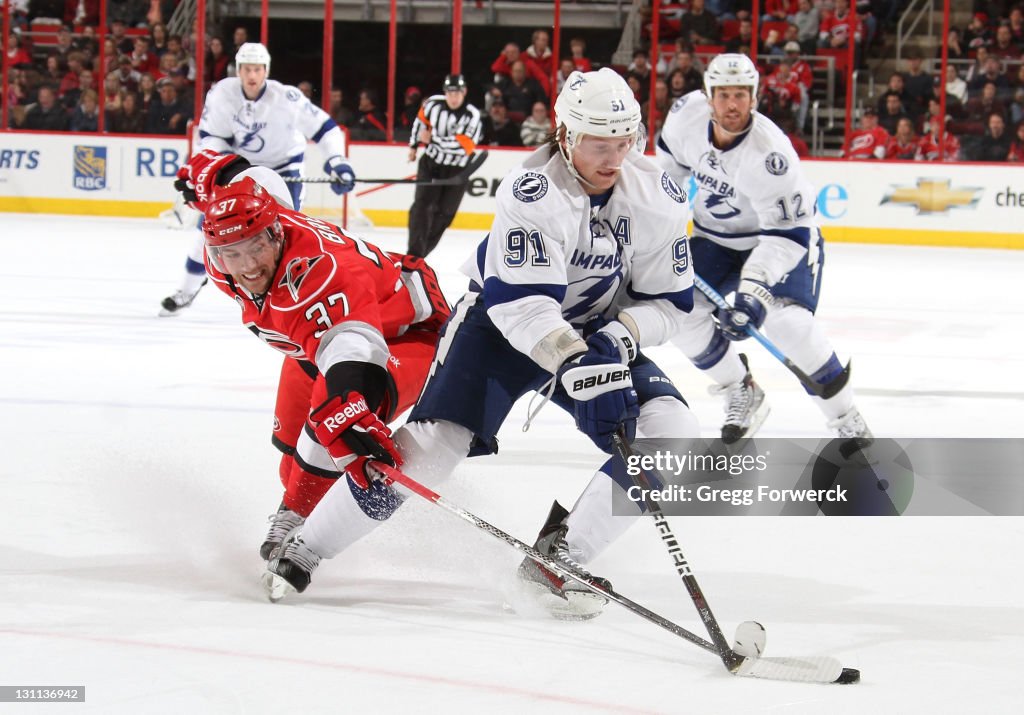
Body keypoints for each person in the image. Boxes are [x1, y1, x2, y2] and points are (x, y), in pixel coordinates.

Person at [263, 68, 700, 619]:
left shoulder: (657, 193)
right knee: (435, 448)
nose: (613, 158)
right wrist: (580, 368)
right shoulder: (533, 191)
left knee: (675, 432)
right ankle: (305, 547)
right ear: (565, 134)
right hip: (502, 326)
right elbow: (525, 305)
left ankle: (558, 560)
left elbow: (671, 304)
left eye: (624, 142)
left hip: (593, 330)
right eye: (597, 143)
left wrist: (619, 338)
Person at [173, 151, 449, 562]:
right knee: (293, 460)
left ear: (276, 235)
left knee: (333, 421)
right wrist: (212, 175)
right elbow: (256, 178)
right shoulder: (240, 231)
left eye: (255, 248)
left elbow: (352, 344)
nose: (247, 266)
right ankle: (296, 511)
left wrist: (349, 401)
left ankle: (310, 540)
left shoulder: (319, 272)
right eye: (232, 253)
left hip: (403, 332)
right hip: (316, 344)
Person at [656, 53, 873, 444]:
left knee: (787, 325)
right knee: (678, 310)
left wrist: (752, 294)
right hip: (715, 239)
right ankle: (741, 388)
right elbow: (669, 173)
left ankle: (845, 417)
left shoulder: (771, 155)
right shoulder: (685, 116)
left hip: (780, 241)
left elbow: (786, 236)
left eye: (741, 95)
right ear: (708, 97)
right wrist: (657, 226)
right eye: (724, 95)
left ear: (755, 98)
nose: (732, 104)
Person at [158, 42, 355, 317]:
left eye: (258, 69)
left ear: (266, 71)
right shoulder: (223, 94)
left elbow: (326, 129)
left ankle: (285, 300)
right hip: (241, 172)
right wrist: (215, 169)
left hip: (285, 173)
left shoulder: (287, 98)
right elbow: (212, 138)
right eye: (247, 69)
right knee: (210, 231)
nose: (252, 76)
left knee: (283, 237)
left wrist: (338, 161)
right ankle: (187, 290)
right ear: (238, 70)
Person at [406, 73, 484, 257]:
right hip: (431, 165)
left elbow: (464, 146)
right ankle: (414, 254)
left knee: (445, 215)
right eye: (450, 93)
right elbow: (420, 122)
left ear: (464, 93)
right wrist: (414, 145)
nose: (453, 97)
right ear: (445, 92)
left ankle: (421, 254)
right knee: (422, 207)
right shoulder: (433, 104)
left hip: (458, 171)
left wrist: (432, 139)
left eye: (457, 93)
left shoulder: (471, 115)